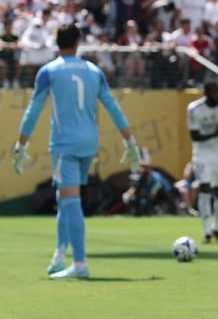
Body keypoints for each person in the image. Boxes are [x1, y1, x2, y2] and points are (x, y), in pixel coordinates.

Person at [12, 23, 141, 279]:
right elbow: (113, 108)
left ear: (56, 41)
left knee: (71, 200)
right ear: (78, 41)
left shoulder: (49, 71)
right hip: (89, 143)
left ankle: (80, 263)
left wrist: (21, 144)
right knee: (64, 197)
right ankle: (60, 254)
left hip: (65, 144)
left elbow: (33, 110)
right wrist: (130, 142)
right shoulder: (94, 71)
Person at [187, 81, 218, 243]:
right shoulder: (194, 109)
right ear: (206, 93)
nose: (216, 95)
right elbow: (195, 136)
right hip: (203, 154)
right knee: (205, 187)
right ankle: (206, 230)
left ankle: (216, 226)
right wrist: (216, 133)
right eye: (213, 92)